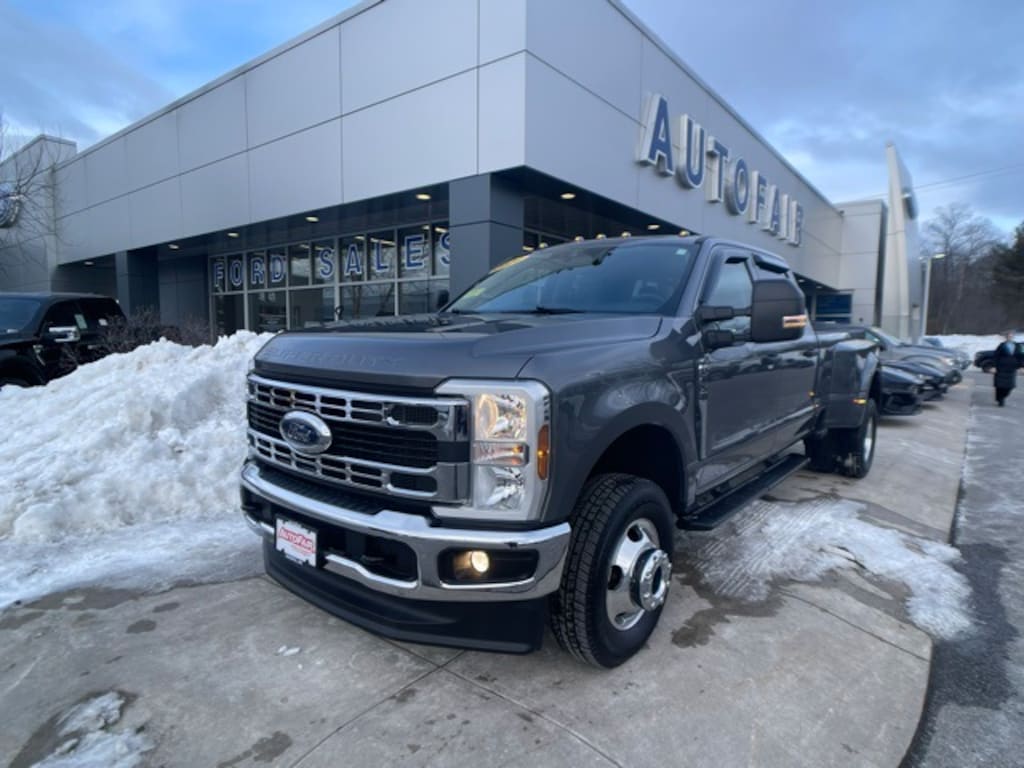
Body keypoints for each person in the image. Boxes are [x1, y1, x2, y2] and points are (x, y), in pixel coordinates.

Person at [990, 331, 1024, 406]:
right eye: (1008, 336)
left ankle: (1003, 396)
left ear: (1013, 337)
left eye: (1011, 336)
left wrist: (1021, 366)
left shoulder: (1017, 346)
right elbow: (996, 357)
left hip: (1012, 369)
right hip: (1001, 368)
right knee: (1000, 385)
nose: (1010, 337)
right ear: (1006, 337)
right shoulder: (1002, 346)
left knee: (1010, 386)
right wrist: (994, 366)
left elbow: (1021, 357)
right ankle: (1000, 399)